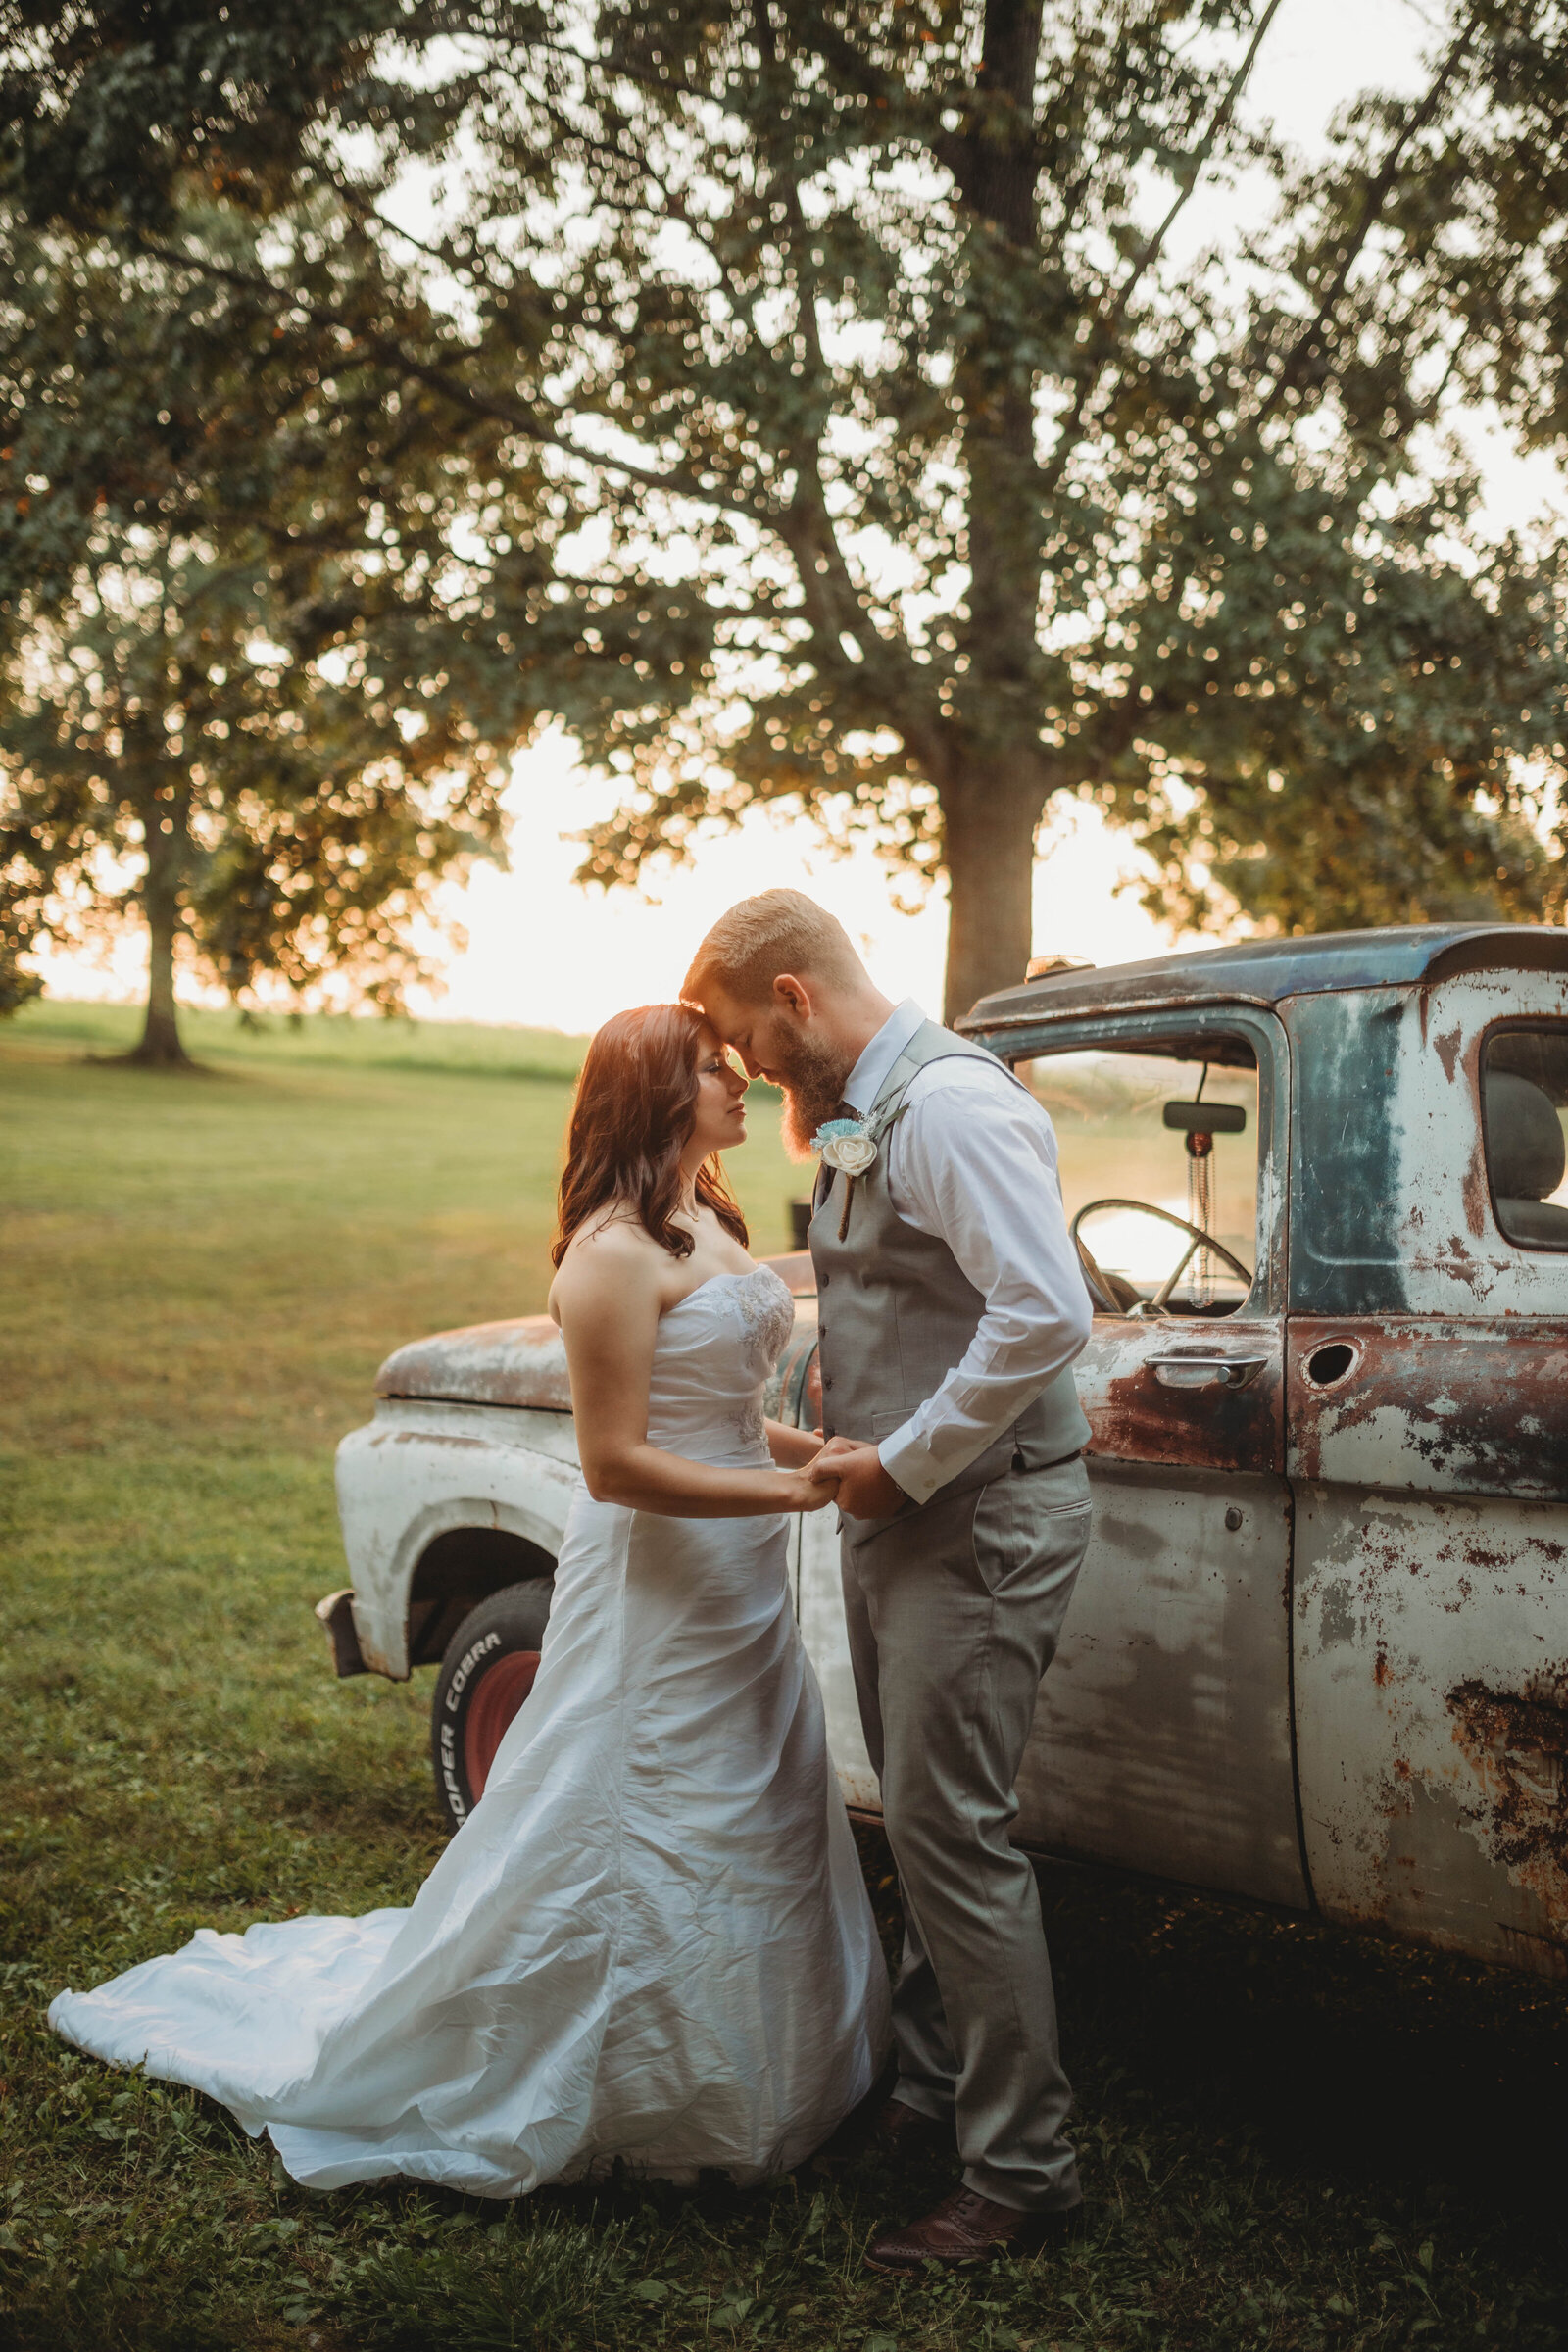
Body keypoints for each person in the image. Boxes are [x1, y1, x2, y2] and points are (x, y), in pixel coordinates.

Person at [49, 1003, 889, 2195]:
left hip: (735, 1579)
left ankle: (774, 2062)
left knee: (756, 1780)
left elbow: (707, 1413)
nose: (743, 1078)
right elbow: (614, 1463)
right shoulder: (606, 1255)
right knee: (648, 1793)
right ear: (655, 1090)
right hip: (657, 1576)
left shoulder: (706, 1214)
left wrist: (811, 1450)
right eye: (715, 1069)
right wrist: (784, 1499)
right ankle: (631, 2081)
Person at [686, 891, 1094, 2273]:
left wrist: (905, 1461)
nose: (744, 1072)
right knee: (919, 1832)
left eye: (747, 1040)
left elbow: (1048, 1310)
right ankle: (930, 2094)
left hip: (973, 1519)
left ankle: (1026, 2173)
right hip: (906, 1509)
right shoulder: (868, 1106)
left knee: (954, 1840)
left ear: (794, 997)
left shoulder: (948, 1109)